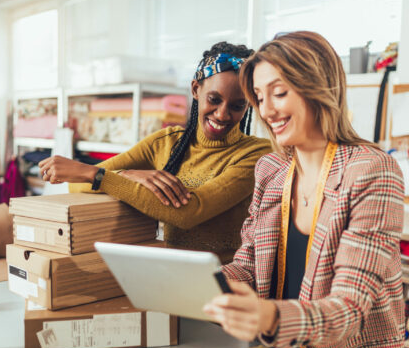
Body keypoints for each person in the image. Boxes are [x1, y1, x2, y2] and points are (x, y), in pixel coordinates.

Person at [203, 32, 409, 348]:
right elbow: (248, 265)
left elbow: (349, 309)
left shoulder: (371, 170)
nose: (267, 111)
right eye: (260, 97)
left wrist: (267, 317)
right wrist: (205, 281)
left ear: (318, 86)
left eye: (279, 93)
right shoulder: (271, 170)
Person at [39, 42, 271, 263]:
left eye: (237, 106)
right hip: (167, 275)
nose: (222, 114)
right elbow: (77, 184)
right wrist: (127, 174)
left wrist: (101, 176)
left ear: (248, 104)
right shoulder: (165, 143)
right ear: (195, 89)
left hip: (225, 283)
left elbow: (190, 212)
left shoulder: (256, 154)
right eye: (214, 99)